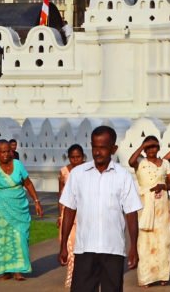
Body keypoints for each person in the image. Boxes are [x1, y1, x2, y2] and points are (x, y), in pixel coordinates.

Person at [59, 125, 142, 292]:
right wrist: (63, 245)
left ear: (113, 149)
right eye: (95, 147)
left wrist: (134, 246)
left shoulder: (123, 176)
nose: (97, 152)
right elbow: (69, 210)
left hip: (113, 249)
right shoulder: (78, 174)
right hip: (84, 248)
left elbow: (131, 212)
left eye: (103, 148)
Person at [0, 139, 44, 281]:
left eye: (9, 151)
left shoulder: (18, 165)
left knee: (20, 237)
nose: (6, 154)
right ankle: (6, 270)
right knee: (2, 239)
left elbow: (27, 183)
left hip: (19, 206)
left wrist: (36, 201)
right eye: (3, 152)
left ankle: (18, 270)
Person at [129, 136, 170, 287]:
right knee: (145, 241)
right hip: (145, 205)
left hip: (161, 205)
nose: (151, 150)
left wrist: (163, 186)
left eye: (154, 147)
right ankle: (146, 277)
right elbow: (130, 162)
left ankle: (163, 275)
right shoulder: (140, 163)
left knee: (163, 240)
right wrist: (142, 146)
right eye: (148, 147)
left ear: (158, 148)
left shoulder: (166, 164)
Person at [59, 144, 86, 289]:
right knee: (69, 247)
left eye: (78, 157)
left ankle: (83, 277)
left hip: (84, 213)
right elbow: (61, 194)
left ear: (83, 157)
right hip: (68, 214)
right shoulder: (64, 172)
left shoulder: (88, 171)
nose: (76, 160)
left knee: (82, 247)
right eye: (73, 157)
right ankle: (71, 277)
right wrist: (59, 216)